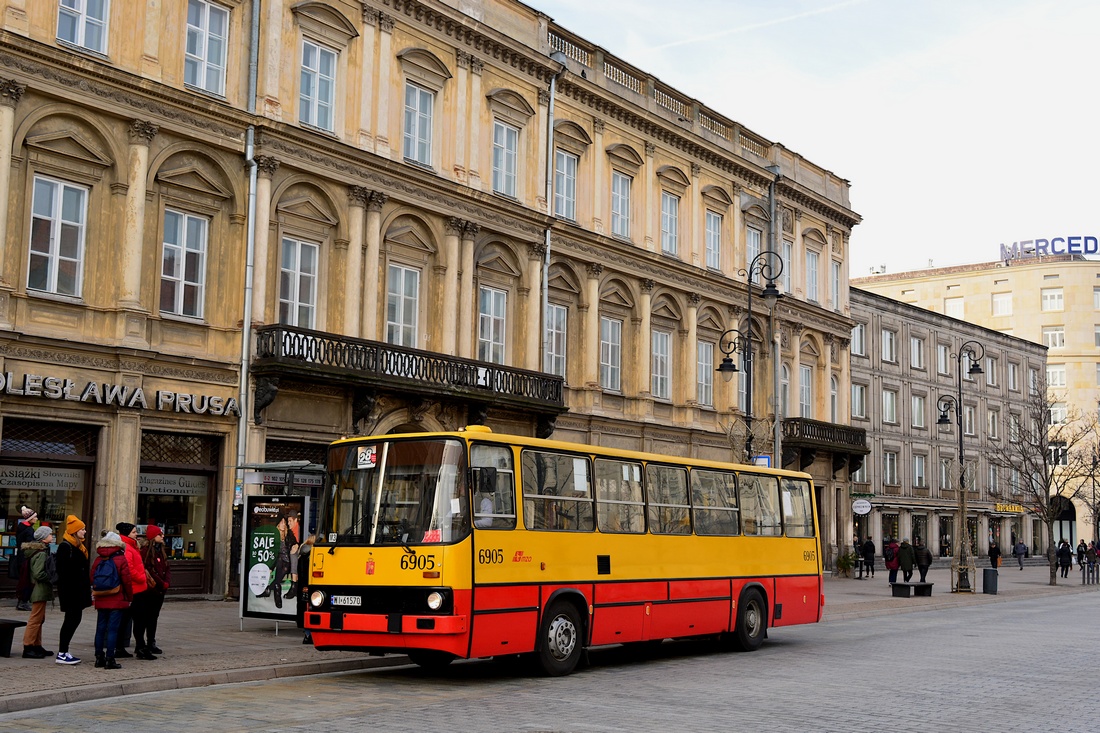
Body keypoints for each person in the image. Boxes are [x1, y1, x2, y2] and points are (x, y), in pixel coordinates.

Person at [91, 531, 132, 669]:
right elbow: (127, 580)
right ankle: (110, 659)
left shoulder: (98, 558)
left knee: (100, 628)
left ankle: (98, 657)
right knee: (113, 629)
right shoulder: (120, 558)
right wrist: (129, 597)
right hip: (117, 597)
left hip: (101, 597)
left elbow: (92, 578)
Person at [54, 514, 91, 665]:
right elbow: (63, 571)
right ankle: (62, 652)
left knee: (75, 619)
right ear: (74, 531)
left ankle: (64, 651)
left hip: (78, 590)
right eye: (82, 529)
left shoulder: (78, 546)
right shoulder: (65, 546)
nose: (84, 532)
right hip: (71, 591)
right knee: (71, 620)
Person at [133, 524, 171, 659]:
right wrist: (161, 583)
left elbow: (167, 568)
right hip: (148, 590)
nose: (162, 536)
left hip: (159, 591)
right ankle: (141, 645)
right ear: (153, 537)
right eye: (160, 534)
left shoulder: (161, 550)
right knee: (143, 618)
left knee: (153, 618)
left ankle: (151, 642)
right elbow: (148, 571)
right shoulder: (145, 552)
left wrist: (166, 582)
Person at [113, 522, 149, 658]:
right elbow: (128, 568)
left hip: (135, 588)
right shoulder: (127, 547)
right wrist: (142, 577)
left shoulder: (131, 545)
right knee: (138, 620)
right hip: (134, 589)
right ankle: (139, 647)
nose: (136, 534)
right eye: (134, 532)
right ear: (127, 533)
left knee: (127, 619)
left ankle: (121, 647)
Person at [20, 525, 55, 659]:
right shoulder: (40, 553)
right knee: (35, 619)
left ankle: (36, 644)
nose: (52, 536)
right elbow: (39, 574)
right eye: (50, 534)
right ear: (44, 538)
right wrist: (51, 577)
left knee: (40, 618)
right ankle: (28, 646)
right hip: (39, 589)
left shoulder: (41, 551)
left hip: (39, 589)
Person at [12, 506, 38, 611]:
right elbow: (29, 545)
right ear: (30, 518)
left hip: (20, 557)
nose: (36, 519)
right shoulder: (29, 530)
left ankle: (21, 600)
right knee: (26, 580)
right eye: (35, 517)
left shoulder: (20, 528)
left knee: (22, 580)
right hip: (26, 558)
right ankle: (23, 601)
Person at [296, 534, 315, 644]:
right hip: (308, 586)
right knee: (310, 609)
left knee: (306, 609)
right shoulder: (310, 556)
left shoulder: (302, 554)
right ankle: (308, 635)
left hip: (302, 587)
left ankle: (307, 634)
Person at [284, 510, 301, 600]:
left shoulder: (300, 530)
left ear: (295, 521)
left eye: (290, 521)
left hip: (300, 553)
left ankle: (294, 586)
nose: (288, 523)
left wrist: (298, 545)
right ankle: (294, 585)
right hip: (289, 554)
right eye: (288, 521)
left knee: (294, 553)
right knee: (293, 553)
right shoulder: (289, 532)